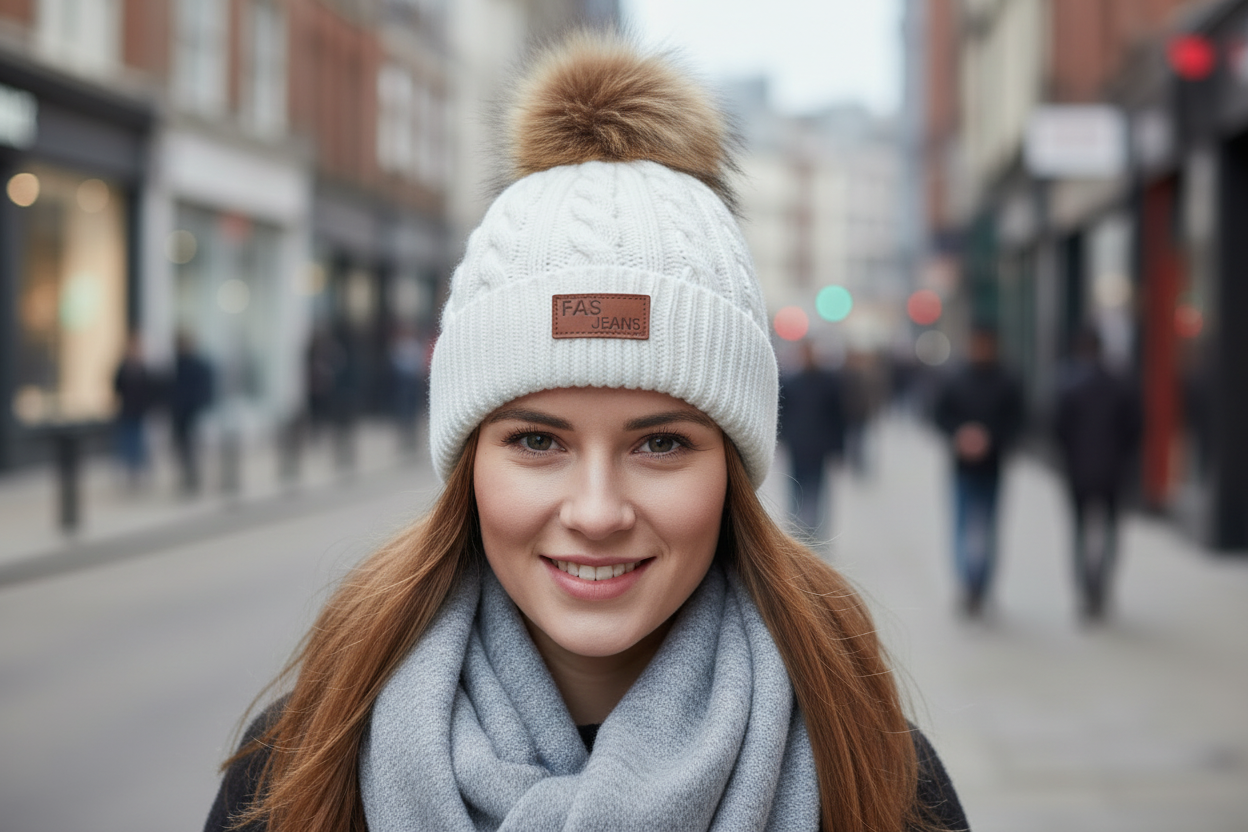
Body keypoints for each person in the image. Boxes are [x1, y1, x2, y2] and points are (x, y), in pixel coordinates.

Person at [204, 33, 967, 832]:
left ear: (733, 469)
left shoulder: (871, 772)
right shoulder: (301, 768)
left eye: (661, 443)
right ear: (468, 463)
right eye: (538, 442)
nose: (597, 513)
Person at [933, 324, 1023, 617]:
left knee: (989, 528)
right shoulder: (955, 378)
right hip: (962, 467)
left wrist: (990, 439)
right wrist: (960, 435)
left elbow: (1019, 421)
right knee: (961, 526)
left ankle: (982, 585)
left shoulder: (1007, 380)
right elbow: (938, 414)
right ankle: (967, 584)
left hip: (992, 467)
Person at [1054, 329, 1141, 622]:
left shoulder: (1068, 386)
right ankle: (1101, 586)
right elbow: (1135, 429)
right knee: (1110, 530)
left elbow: (1057, 429)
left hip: (1078, 470)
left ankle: (1085, 589)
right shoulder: (1120, 385)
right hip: (1113, 471)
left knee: (1080, 531)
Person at [779, 341, 846, 540]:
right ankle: (796, 529)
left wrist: (838, 447)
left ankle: (814, 530)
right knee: (796, 488)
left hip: (818, 447)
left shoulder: (828, 382)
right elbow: (783, 414)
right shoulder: (792, 382)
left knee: (815, 489)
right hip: (798, 445)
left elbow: (838, 417)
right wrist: (783, 437)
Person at [169, 331, 215, 495]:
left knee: (191, 446)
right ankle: (186, 475)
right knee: (180, 446)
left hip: (191, 412)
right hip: (178, 412)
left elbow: (205, 389)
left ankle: (193, 476)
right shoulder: (174, 365)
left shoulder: (197, 365)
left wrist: (199, 405)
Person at [112, 332, 158, 488]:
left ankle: (140, 469)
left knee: (140, 441)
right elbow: (116, 387)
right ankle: (130, 470)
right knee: (127, 440)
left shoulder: (142, 368)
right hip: (126, 410)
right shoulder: (123, 368)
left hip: (139, 411)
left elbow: (149, 390)